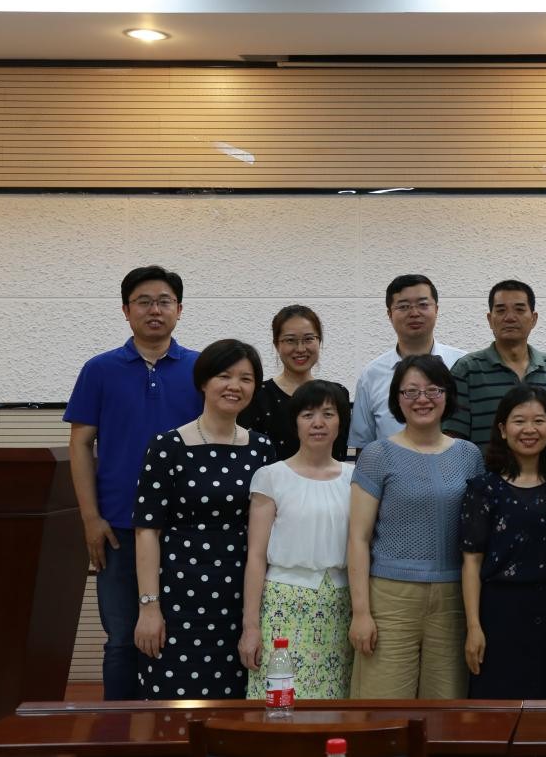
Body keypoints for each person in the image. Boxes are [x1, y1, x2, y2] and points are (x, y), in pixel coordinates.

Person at [63, 265, 202, 700]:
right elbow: (80, 444)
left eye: (164, 301)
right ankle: (117, 731)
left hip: (186, 528)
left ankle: (178, 726)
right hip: (119, 529)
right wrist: (90, 518)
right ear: (126, 310)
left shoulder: (202, 369)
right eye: (143, 302)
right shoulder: (99, 369)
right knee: (123, 639)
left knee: (185, 636)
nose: (154, 310)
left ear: (179, 309)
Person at [132, 339, 277, 699]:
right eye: (224, 376)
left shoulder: (262, 449)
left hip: (241, 598)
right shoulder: (167, 446)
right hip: (178, 597)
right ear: (203, 382)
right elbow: (147, 530)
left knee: (237, 705)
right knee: (172, 701)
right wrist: (149, 607)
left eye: (246, 378)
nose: (234, 386)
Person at [347, 354, 484, 699]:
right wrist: (361, 612)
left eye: (433, 390)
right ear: (397, 399)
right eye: (410, 391)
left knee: (446, 704)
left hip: (452, 598)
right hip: (390, 598)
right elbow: (358, 538)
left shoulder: (469, 456)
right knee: (383, 704)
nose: (422, 399)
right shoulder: (377, 455)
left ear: (447, 395)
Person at [239, 380, 355, 699]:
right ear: (295, 423)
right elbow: (256, 557)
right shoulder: (271, 476)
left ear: (341, 422)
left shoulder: (355, 478)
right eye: (308, 415)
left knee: (337, 702)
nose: (318, 423)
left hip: (340, 605)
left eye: (328, 414)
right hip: (283, 605)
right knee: (281, 701)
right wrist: (251, 626)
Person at [459, 385, 546, 699]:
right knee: (494, 708)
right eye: (519, 421)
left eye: (539, 421)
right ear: (503, 429)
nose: (529, 429)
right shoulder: (483, 489)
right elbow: (471, 562)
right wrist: (474, 626)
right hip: (497, 611)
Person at [349, 275, 467, 449]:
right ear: (389, 314)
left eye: (423, 304)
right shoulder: (371, 374)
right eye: (403, 306)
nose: (414, 313)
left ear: (436, 309)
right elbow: (362, 447)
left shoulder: (464, 365)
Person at [445, 280, 546, 449]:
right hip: (484, 467)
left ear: (534, 319)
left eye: (519, 310)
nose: (509, 318)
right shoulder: (467, 369)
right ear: (490, 319)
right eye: (501, 310)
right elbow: (452, 437)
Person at [239, 304, 351, 460]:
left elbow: (340, 453)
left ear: (319, 341)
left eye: (308, 339)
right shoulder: (257, 395)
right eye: (290, 340)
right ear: (276, 344)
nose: (300, 349)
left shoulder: (338, 394)